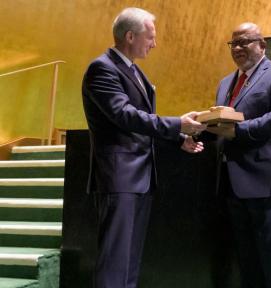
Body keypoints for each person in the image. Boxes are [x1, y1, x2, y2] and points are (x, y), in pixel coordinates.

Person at [81, 7, 205, 288]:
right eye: (150, 37)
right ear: (130, 36)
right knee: (115, 261)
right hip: (120, 176)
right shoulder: (102, 68)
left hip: (140, 177)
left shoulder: (133, 71)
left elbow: (140, 123)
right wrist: (177, 125)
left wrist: (179, 139)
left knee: (130, 260)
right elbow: (125, 115)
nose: (154, 43)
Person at [207, 22, 271, 288]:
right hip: (234, 182)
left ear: (262, 44)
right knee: (247, 261)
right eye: (233, 43)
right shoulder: (225, 82)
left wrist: (238, 131)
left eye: (244, 42)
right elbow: (224, 125)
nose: (237, 48)